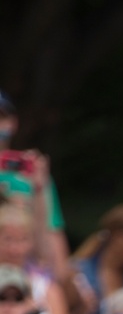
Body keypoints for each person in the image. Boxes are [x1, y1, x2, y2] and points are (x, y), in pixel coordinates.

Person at [0, 90, 70, 277]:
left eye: (1, 117)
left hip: (24, 275)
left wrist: (38, 194)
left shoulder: (32, 176)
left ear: (12, 123)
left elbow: (53, 252)